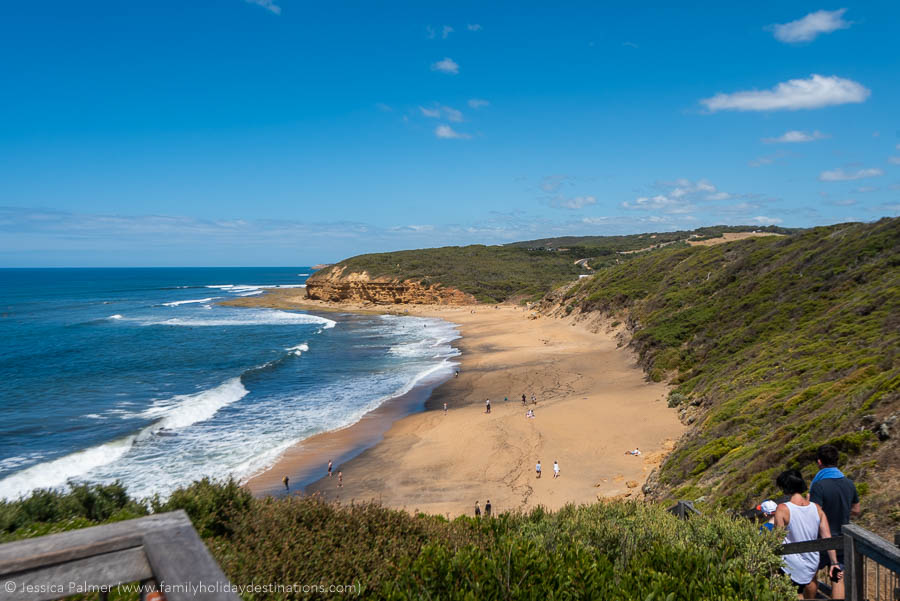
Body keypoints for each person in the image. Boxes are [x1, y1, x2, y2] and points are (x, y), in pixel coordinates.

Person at [773, 469, 841, 599]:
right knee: (811, 587)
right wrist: (834, 563)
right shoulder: (817, 508)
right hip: (812, 560)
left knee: (795, 593)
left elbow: (777, 540)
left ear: (785, 488)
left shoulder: (783, 509)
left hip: (790, 562)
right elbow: (827, 538)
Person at [809, 444, 860, 600]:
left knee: (810, 575)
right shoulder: (849, 483)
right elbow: (856, 510)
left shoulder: (818, 485)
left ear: (819, 462)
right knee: (837, 577)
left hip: (820, 539)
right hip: (842, 539)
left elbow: (815, 513)